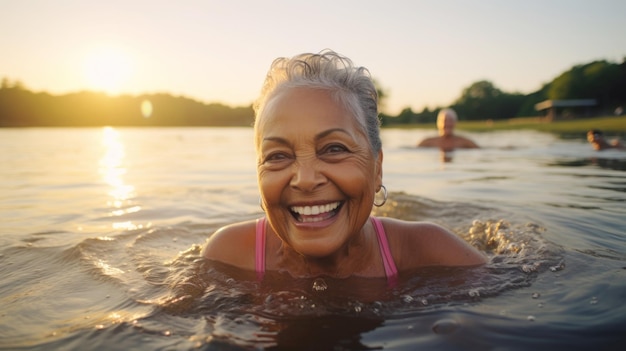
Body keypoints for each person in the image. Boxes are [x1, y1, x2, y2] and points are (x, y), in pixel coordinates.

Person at [202, 50, 486, 282]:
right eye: (277, 156)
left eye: (334, 149)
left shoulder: (431, 253)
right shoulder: (227, 256)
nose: (305, 179)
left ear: (377, 170)